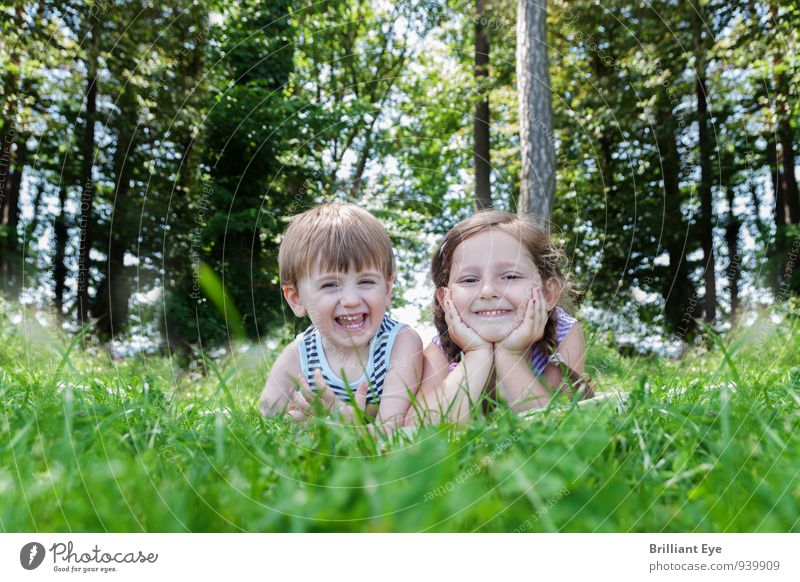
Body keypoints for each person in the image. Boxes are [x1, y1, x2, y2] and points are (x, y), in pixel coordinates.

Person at [406, 210, 592, 426]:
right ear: (445, 297)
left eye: (510, 276)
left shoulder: (563, 334)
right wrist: (477, 355)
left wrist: (510, 355)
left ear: (548, 293)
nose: (488, 291)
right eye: (469, 280)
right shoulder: (441, 350)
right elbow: (416, 430)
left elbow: (560, 427)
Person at [259, 202, 422, 432]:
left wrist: (338, 418)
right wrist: (296, 425)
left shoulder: (401, 343)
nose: (351, 299)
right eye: (330, 285)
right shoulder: (299, 354)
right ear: (296, 299)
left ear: (387, 289)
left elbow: (390, 430)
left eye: (366, 281)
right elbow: (265, 424)